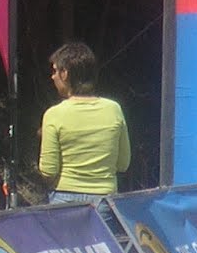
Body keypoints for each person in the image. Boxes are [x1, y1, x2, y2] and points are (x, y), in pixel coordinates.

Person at [39, 41, 130, 203]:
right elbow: (123, 163)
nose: (52, 77)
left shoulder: (54, 115)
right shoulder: (114, 109)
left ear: (65, 73)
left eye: (55, 71)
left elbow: (49, 171)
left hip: (64, 198)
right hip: (105, 199)